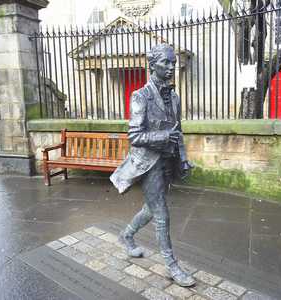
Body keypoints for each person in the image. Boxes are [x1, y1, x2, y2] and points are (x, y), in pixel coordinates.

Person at [110, 43, 195, 287]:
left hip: (167, 160)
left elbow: (178, 132)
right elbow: (135, 136)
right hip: (148, 163)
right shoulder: (141, 96)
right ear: (152, 65)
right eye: (165, 63)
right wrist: (162, 137)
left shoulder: (175, 97)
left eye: (172, 63)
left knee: (151, 207)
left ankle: (126, 235)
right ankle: (172, 265)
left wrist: (183, 158)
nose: (170, 67)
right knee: (161, 213)